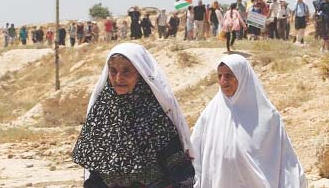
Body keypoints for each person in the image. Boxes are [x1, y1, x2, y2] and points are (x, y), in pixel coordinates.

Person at [72, 43, 195, 188]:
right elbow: (95, 173)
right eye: (113, 71)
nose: (119, 78)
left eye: (126, 71)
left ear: (140, 73)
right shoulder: (102, 112)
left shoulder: (154, 113)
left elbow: (178, 169)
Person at [191, 54, 307, 188]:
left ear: (242, 77)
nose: (223, 81)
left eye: (228, 75)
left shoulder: (268, 117)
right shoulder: (210, 114)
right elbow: (195, 155)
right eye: (219, 76)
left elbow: (285, 162)